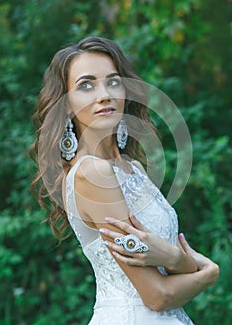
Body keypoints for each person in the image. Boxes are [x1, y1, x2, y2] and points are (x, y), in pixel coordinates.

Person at [31, 36, 219, 325]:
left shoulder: (132, 168)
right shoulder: (92, 173)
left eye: (113, 81)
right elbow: (157, 295)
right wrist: (207, 274)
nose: (104, 94)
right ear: (67, 105)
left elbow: (172, 272)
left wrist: (177, 259)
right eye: (86, 85)